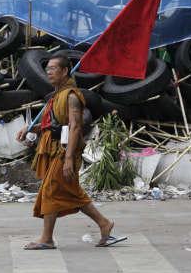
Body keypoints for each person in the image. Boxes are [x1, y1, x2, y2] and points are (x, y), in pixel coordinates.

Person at [16, 53, 127, 249]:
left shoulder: (72, 97)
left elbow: (75, 127)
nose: (49, 72)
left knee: (51, 190)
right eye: (47, 69)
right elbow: (52, 125)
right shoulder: (57, 96)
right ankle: (104, 224)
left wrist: (68, 159)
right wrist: (29, 129)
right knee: (70, 192)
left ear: (65, 71)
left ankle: (47, 239)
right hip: (53, 148)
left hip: (65, 150)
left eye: (53, 69)